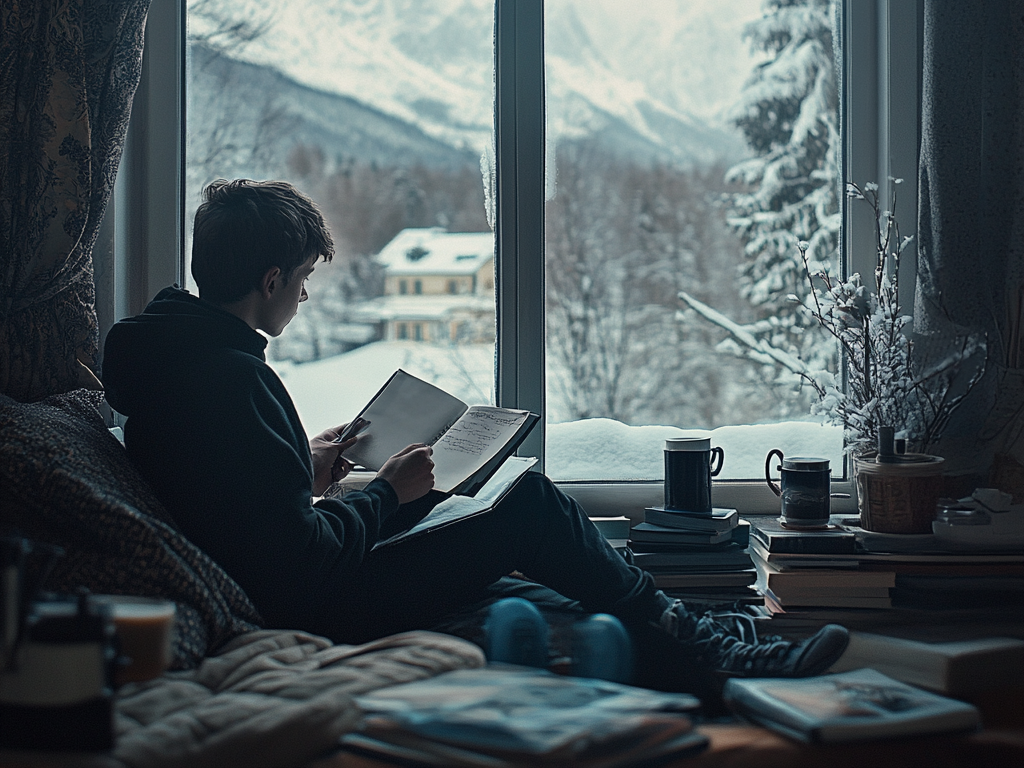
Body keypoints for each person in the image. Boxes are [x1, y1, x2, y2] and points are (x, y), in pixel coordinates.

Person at [103, 178, 848, 684]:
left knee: (467, 504)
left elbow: (239, 504)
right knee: (527, 504)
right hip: (310, 604)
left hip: (286, 581)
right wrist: (387, 495)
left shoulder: (179, 359)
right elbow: (297, 567)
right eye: (300, 282)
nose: (301, 296)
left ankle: (691, 630)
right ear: (270, 282)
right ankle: (710, 653)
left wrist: (306, 466)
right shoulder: (232, 378)